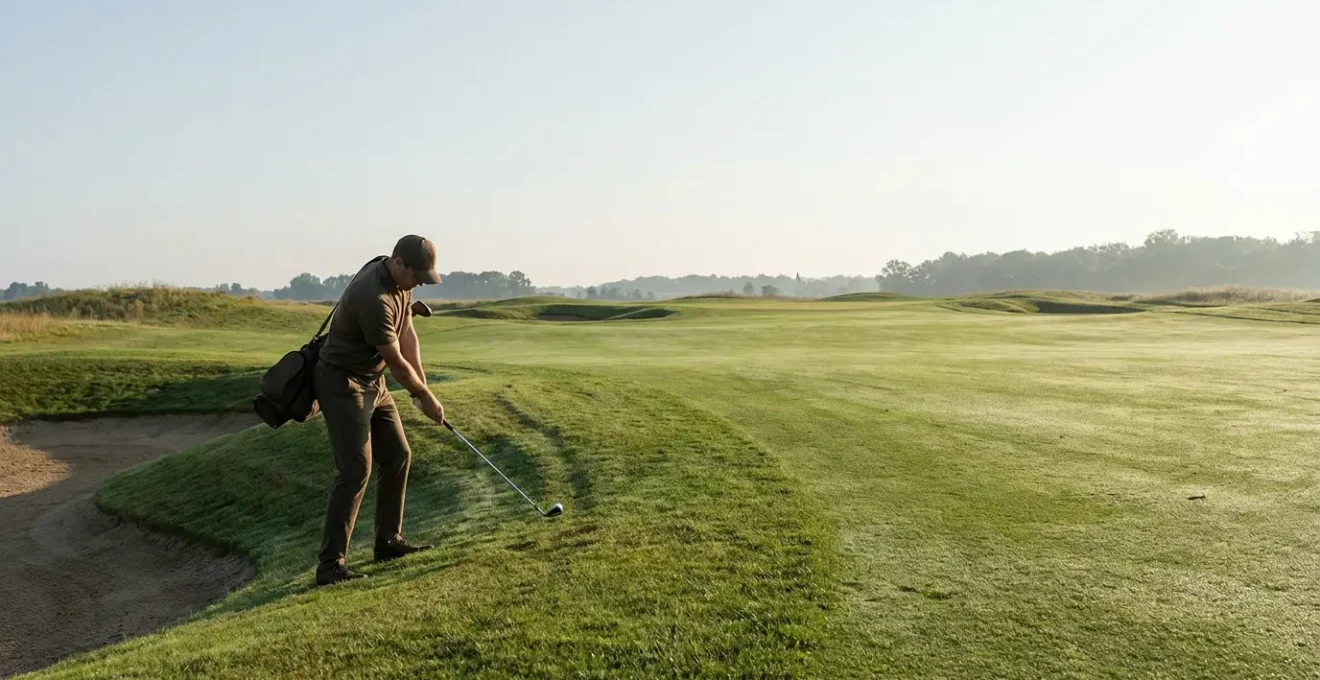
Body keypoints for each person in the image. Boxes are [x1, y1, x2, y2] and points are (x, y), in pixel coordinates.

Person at [312, 234, 448, 586]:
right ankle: (330, 565)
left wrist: (423, 387)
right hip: (343, 383)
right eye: (417, 276)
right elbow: (395, 360)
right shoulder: (373, 295)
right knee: (356, 469)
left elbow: (408, 336)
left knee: (398, 454)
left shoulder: (402, 284)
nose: (419, 283)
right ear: (399, 263)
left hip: (374, 381)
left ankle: (388, 542)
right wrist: (423, 395)